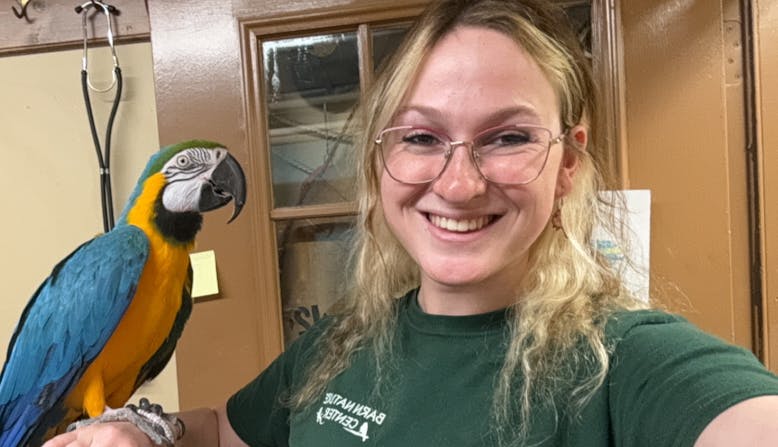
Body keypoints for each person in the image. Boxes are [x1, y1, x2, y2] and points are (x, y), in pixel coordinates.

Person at [44, 0, 778, 446]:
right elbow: (220, 433)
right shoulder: (338, 342)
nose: (459, 183)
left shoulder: (628, 360)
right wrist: (136, 428)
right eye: (422, 137)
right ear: (378, 163)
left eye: (509, 136)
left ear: (568, 166)